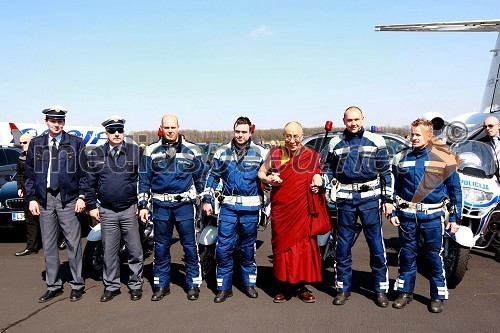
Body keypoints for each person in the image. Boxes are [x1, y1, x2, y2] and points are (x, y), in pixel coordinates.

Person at [321, 106, 393, 307]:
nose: (353, 123)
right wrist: (322, 181)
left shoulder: (376, 141)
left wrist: (388, 200)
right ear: (343, 121)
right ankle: (343, 288)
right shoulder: (335, 142)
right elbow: (328, 170)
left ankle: (380, 289)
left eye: (356, 119)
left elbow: (386, 172)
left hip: (370, 199)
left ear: (363, 119)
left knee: (376, 245)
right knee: (342, 246)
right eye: (349, 120)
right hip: (345, 200)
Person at [390, 118, 462, 313]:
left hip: (432, 217)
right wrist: (393, 211)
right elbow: (393, 187)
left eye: (417, 134)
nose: (412, 137)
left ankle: (437, 295)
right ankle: (405, 292)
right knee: (406, 254)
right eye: (412, 133)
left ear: (429, 136)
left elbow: (455, 190)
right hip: (407, 217)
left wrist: (456, 219)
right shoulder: (402, 157)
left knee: (433, 256)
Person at [258, 121, 329, 303]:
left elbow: (317, 174)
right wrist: (270, 179)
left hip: (302, 209)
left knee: (303, 249)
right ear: (283, 136)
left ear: (302, 136)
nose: (292, 140)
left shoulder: (311, 155)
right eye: (288, 136)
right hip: (282, 209)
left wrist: (317, 181)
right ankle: (283, 286)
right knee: (282, 248)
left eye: (295, 136)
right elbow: (261, 173)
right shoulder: (277, 153)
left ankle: (301, 287)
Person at [24, 105, 87, 303]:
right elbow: (29, 174)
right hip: (45, 200)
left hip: (68, 199)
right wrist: (32, 198)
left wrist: (82, 196)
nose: (57, 124)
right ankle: (53, 285)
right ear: (46, 122)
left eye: (60, 121)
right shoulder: (36, 144)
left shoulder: (75, 143)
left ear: (64, 122)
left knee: (73, 243)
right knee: (49, 244)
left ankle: (77, 284)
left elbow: (85, 173)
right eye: (53, 121)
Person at [138, 114, 204, 301]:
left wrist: (205, 201)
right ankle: (161, 285)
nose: (170, 131)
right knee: (161, 248)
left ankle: (192, 284)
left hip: (184, 205)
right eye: (166, 127)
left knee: (190, 247)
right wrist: (143, 205)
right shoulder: (151, 150)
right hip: (160, 207)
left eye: (173, 127)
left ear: (178, 127)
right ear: (161, 128)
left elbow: (200, 178)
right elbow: (143, 180)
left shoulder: (192, 149)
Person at [202, 116, 267, 303]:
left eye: (244, 132)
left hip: (250, 209)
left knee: (248, 249)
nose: (240, 135)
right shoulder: (222, 152)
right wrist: (207, 199)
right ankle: (223, 288)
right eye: (237, 131)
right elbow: (212, 177)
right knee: (223, 248)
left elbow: (269, 176)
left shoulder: (261, 152)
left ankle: (249, 285)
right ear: (234, 131)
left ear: (250, 132)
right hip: (228, 208)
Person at [85, 115, 144, 302]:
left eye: (119, 130)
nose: (116, 134)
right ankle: (112, 286)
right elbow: (89, 183)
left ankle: (135, 285)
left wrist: (141, 204)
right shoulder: (96, 154)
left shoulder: (135, 152)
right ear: (106, 133)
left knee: (135, 250)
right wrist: (92, 206)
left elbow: (143, 180)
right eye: (112, 131)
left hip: (129, 209)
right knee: (109, 251)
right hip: (107, 211)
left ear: (124, 132)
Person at [15, 133, 41, 256]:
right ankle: (31, 246)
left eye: (24, 142)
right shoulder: (21, 158)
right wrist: (20, 187)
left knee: (49, 220)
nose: (21, 145)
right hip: (28, 194)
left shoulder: (40, 156)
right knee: (30, 221)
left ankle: (58, 241)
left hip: (41, 193)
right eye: (20, 143)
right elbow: (20, 174)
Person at [480, 116, 500, 262]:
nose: (488, 129)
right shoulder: (481, 144)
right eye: (485, 126)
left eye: (491, 126)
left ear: (498, 126)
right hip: (490, 181)